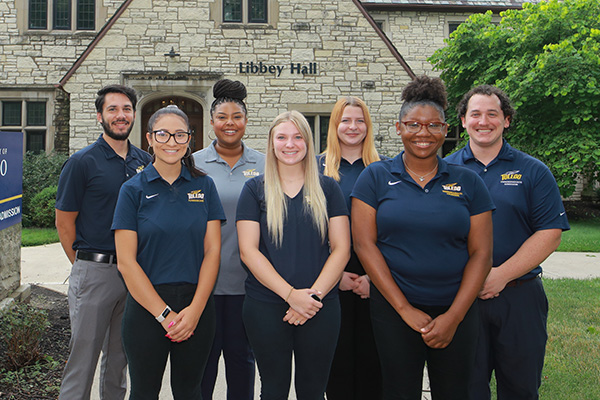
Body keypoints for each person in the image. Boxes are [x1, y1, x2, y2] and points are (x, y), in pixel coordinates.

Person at [351, 76, 495, 400]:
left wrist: (454, 316)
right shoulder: (374, 177)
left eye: (433, 126)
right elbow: (364, 244)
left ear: (445, 130)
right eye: (414, 124)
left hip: (456, 307)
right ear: (399, 128)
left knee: (455, 391)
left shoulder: (468, 182)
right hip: (393, 308)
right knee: (399, 391)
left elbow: (482, 254)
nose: (423, 133)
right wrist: (403, 308)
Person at [445, 85, 570, 400]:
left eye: (492, 114)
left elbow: (550, 232)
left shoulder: (533, 171)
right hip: (460, 299)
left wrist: (501, 275)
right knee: (463, 388)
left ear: (507, 120)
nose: (483, 121)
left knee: (521, 388)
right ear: (462, 120)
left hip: (520, 298)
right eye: (475, 114)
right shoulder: (444, 171)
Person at [111, 105, 225, 398]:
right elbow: (126, 262)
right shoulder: (132, 190)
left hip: (196, 308)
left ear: (190, 139)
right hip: (147, 308)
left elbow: (212, 251)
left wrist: (195, 311)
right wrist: (165, 316)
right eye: (163, 134)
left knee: (190, 391)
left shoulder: (204, 186)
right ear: (149, 138)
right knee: (144, 392)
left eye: (179, 135)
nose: (171, 142)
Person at [236, 110, 350, 399]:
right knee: (273, 390)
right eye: (282, 137)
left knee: (313, 391)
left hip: (320, 306)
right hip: (266, 306)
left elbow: (341, 248)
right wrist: (291, 296)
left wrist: (312, 298)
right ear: (271, 143)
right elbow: (249, 252)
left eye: (298, 137)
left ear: (309, 143)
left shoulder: (328, 188)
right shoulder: (254, 190)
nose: (290, 144)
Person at [55, 84, 151, 400]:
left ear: (134, 115)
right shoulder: (82, 162)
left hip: (134, 274)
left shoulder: (145, 163)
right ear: (100, 116)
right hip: (95, 272)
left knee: (120, 359)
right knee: (83, 359)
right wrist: (83, 266)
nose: (120, 115)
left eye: (126, 109)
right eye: (113, 109)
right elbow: (64, 222)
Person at [193, 79, 264, 400]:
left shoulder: (265, 165)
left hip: (248, 284)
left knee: (241, 360)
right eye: (222, 117)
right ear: (212, 123)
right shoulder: (192, 164)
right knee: (202, 364)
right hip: (202, 284)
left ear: (246, 121)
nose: (230, 123)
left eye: (237, 117)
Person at [318, 96, 382, 400]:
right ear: (335, 126)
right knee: (337, 365)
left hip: (377, 283)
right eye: (346, 120)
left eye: (360, 121)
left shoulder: (385, 170)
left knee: (374, 366)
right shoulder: (315, 168)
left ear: (368, 126)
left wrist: (375, 278)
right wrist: (335, 274)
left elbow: (394, 231)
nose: (353, 127)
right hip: (331, 282)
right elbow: (308, 230)